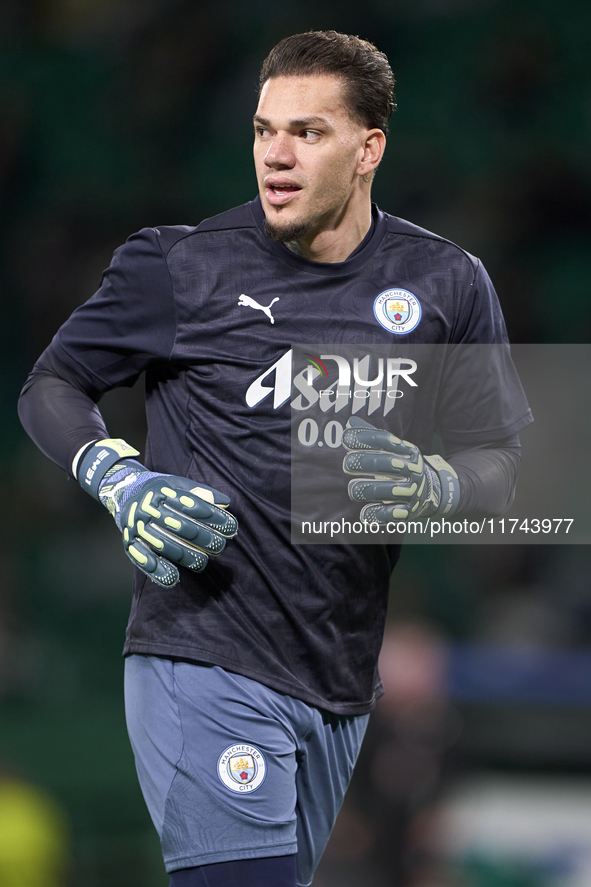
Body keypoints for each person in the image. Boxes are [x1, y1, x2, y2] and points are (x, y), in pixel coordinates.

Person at [18, 30, 532, 887]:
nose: (277, 156)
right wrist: (116, 475)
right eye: (263, 131)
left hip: (337, 675)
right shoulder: (180, 266)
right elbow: (51, 385)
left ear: (369, 148)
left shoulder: (446, 283)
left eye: (308, 132)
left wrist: (440, 482)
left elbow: (502, 462)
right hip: (201, 651)